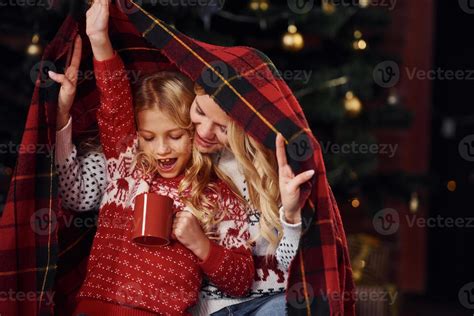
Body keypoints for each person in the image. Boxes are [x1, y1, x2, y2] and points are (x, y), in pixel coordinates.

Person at [50, 1, 255, 313]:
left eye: (175, 136)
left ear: (194, 132)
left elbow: (241, 280)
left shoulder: (218, 195)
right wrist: (99, 39)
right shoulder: (127, 165)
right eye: (148, 138)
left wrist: (201, 245)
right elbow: (115, 98)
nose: (161, 149)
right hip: (96, 308)